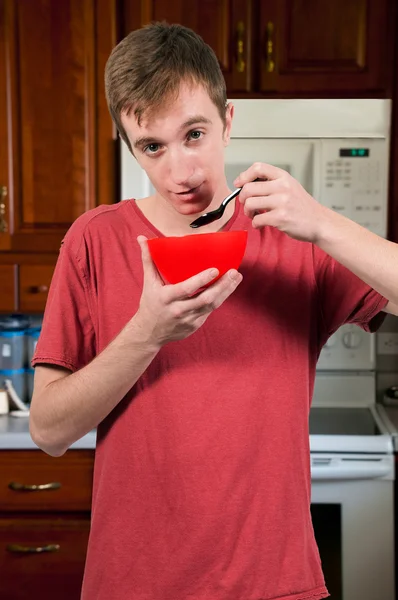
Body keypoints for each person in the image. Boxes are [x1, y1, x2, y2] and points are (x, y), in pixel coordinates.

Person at [29, 22, 398, 600]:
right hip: (132, 586)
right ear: (131, 148)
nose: (181, 172)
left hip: (278, 585)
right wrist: (146, 334)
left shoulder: (294, 236)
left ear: (228, 123)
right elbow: (49, 430)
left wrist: (323, 224)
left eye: (194, 134)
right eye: (153, 146)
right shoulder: (94, 241)